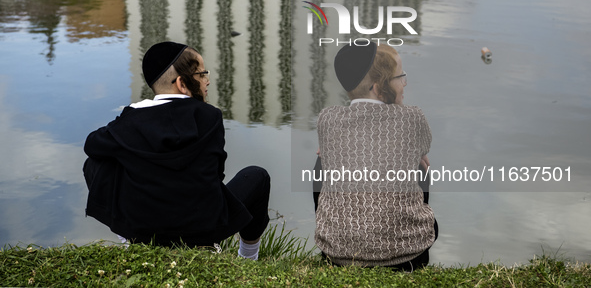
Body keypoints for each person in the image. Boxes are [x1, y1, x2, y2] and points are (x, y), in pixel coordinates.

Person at [83, 41, 270, 260]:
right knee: (257, 176)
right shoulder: (210, 116)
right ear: (182, 83)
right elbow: (216, 175)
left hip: (145, 229)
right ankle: (248, 257)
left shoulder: (132, 119)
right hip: (204, 230)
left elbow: (92, 145)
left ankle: (130, 238)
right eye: (202, 74)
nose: (207, 80)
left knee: (95, 163)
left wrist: (129, 119)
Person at [314, 42, 437, 270]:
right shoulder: (414, 117)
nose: (405, 83)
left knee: (322, 162)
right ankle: (412, 227)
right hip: (406, 255)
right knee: (420, 166)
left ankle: (335, 233)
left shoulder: (327, 118)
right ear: (378, 85)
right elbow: (423, 148)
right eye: (400, 76)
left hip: (338, 255)